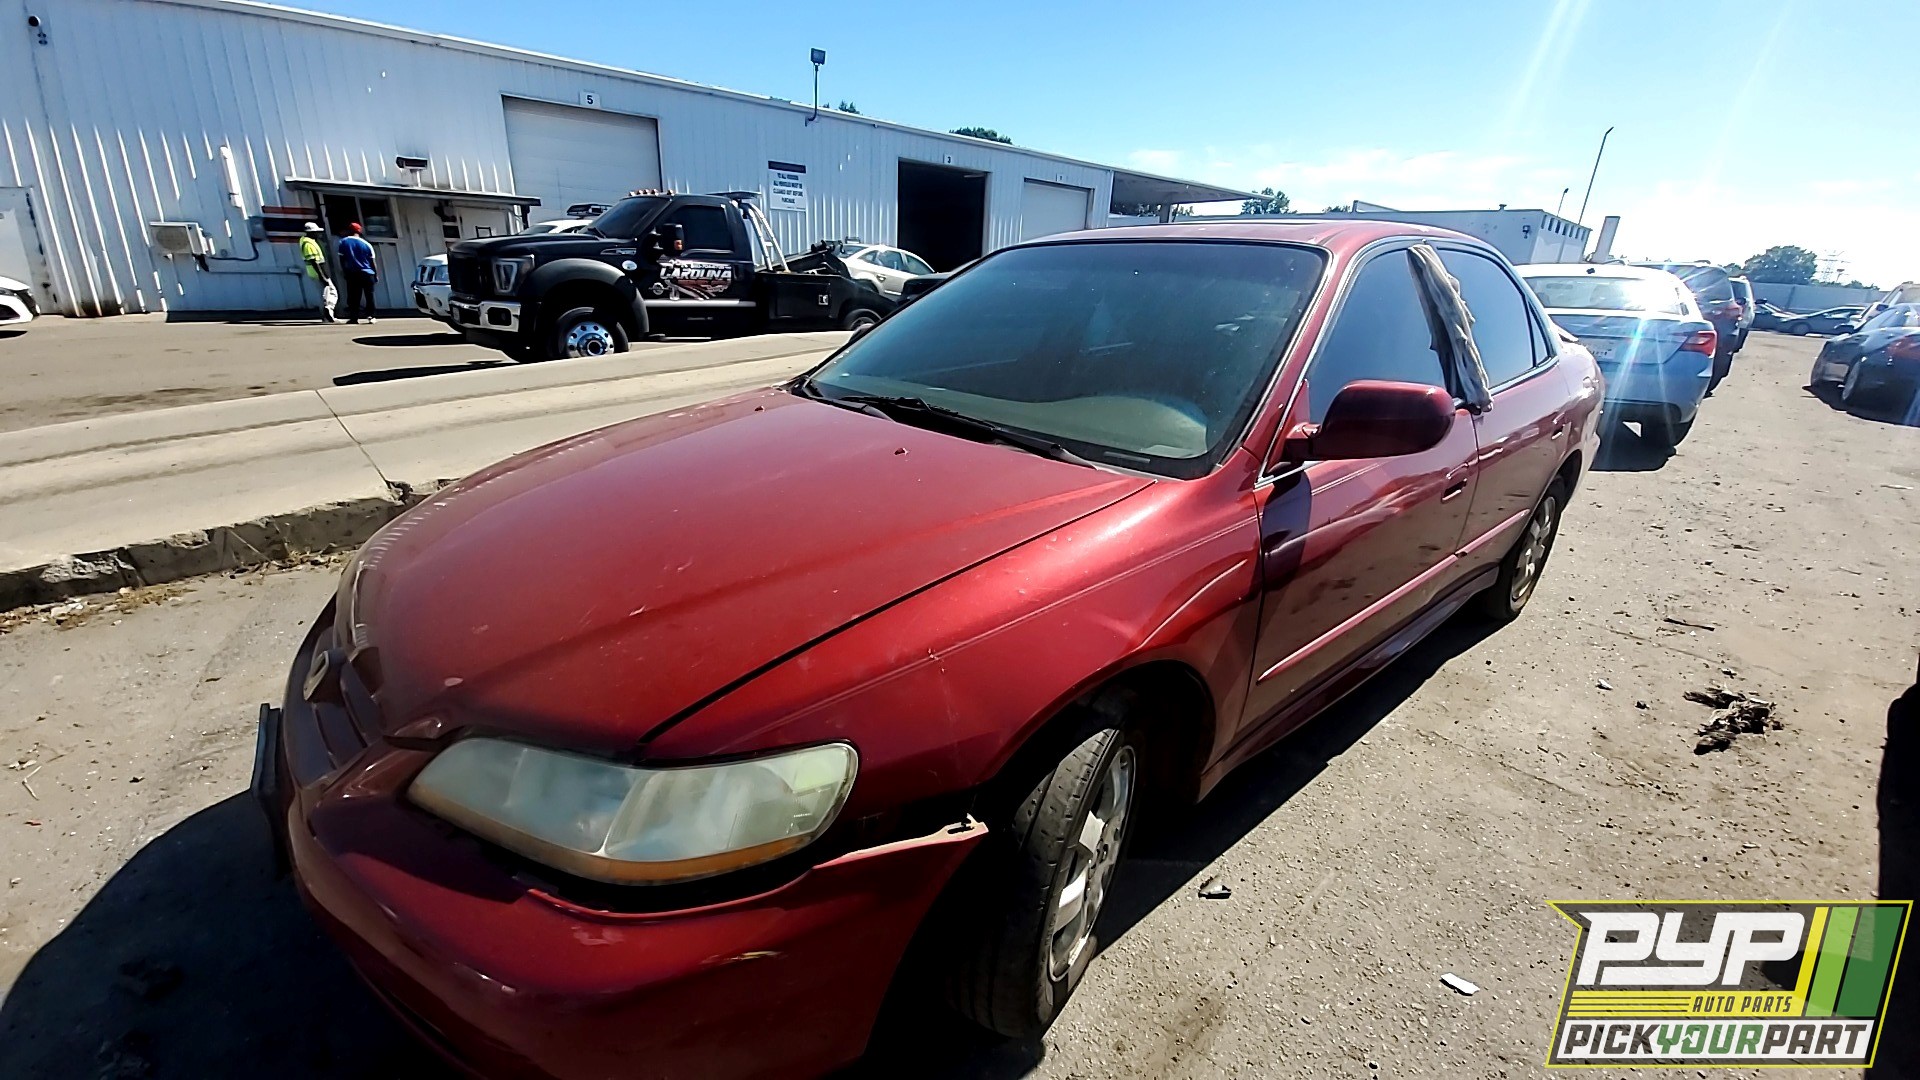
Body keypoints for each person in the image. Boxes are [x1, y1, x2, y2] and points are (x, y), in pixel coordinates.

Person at [336, 222, 378, 324]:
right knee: (369, 295)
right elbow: (372, 262)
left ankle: (354, 317)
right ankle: (371, 316)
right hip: (368, 273)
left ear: (349, 230)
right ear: (359, 231)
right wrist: (376, 274)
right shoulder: (367, 244)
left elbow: (342, 259)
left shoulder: (343, 242)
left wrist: (344, 271)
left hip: (352, 273)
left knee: (353, 296)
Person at [298, 222, 336, 323]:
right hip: (318, 272)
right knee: (331, 292)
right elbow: (314, 261)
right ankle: (328, 311)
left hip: (315, 272)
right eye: (316, 232)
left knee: (324, 293)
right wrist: (322, 276)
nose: (318, 234)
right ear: (311, 233)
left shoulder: (307, 241)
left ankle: (326, 316)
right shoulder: (308, 243)